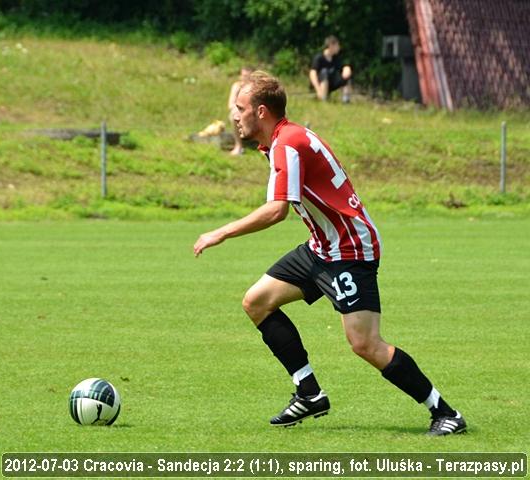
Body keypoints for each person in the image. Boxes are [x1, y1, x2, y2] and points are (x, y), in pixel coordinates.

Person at [193, 71, 466, 435]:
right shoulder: (283, 139)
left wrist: (221, 232)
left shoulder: (287, 143)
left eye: (239, 108)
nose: (234, 115)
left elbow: (277, 210)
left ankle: (446, 413)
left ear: (260, 111)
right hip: (322, 246)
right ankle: (309, 393)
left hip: (350, 249)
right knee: (257, 302)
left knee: (365, 344)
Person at [309, 36, 352, 103]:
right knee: (324, 72)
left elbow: (343, 67)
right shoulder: (319, 58)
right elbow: (312, 74)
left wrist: (347, 69)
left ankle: (346, 100)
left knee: (346, 78)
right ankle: (323, 98)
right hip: (319, 85)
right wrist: (318, 90)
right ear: (331, 46)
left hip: (331, 84)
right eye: (337, 45)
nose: (339, 47)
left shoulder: (336, 58)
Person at [227, 67, 253, 155]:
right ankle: (238, 146)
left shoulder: (255, 87)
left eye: (247, 76)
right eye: (243, 75)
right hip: (240, 112)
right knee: (233, 116)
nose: (245, 78)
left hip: (253, 112)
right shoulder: (236, 86)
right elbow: (231, 104)